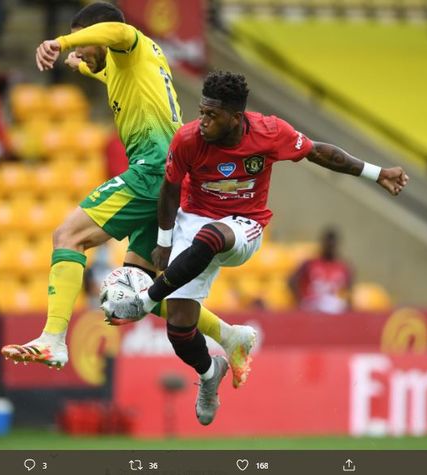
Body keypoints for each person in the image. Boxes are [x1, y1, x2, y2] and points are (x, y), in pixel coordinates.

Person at [105, 71, 409, 425]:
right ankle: (209, 373)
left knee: (212, 238)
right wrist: (164, 242)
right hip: (193, 220)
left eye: (211, 115)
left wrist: (377, 173)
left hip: (243, 226)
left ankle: (144, 301)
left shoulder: (270, 132)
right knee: (179, 330)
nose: (202, 121)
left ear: (236, 118)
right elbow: (170, 190)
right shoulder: (188, 139)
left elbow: (319, 152)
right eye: (202, 111)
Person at [1, 2, 256, 390]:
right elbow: (117, 76)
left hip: (152, 169)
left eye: (87, 42)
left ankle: (53, 339)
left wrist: (61, 41)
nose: (81, 50)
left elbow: (116, 33)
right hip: (170, 179)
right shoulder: (140, 64)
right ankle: (229, 336)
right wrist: (85, 65)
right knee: (144, 287)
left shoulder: (130, 41)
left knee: (68, 237)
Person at [289, 227, 353, 314]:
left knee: (337, 305)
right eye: (328, 243)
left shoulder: (344, 267)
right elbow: (292, 281)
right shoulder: (310, 263)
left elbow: (349, 290)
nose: (330, 246)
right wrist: (300, 299)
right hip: (312, 303)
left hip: (333, 305)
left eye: (332, 244)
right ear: (323, 243)